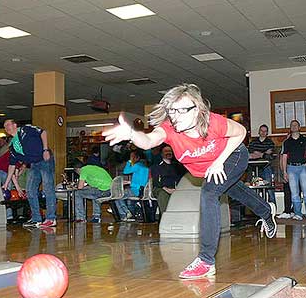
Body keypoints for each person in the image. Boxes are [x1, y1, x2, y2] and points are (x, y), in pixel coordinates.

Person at [103, 83, 276, 279]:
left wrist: (219, 162)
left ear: (198, 109)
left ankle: (206, 260)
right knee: (235, 190)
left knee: (210, 193)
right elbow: (149, 141)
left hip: (233, 155)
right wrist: (133, 134)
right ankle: (266, 211)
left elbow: (241, 133)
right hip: (209, 168)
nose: (175, 116)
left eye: (182, 110)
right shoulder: (169, 130)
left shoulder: (212, 123)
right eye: (172, 111)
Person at [3, 120, 57, 228]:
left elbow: (43, 132)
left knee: (48, 188)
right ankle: (36, 219)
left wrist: (45, 149)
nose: (6, 128)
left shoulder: (25, 129)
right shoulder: (12, 146)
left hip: (44, 159)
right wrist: (6, 183)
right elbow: (12, 166)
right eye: (5, 127)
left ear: (15, 125)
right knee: (30, 190)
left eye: (8, 125)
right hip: (34, 164)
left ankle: (51, 218)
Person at [281, 120, 306, 221]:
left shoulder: (305, 139)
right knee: (294, 192)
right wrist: (284, 172)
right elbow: (284, 157)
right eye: (292, 125)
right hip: (291, 168)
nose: (294, 127)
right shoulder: (286, 142)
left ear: (299, 127)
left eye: (296, 125)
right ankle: (297, 213)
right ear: (290, 128)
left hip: (303, 168)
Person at [151, 145, 185, 214]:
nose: (168, 153)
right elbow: (156, 182)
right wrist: (167, 189)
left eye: (170, 151)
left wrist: (177, 189)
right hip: (160, 188)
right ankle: (165, 215)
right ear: (161, 154)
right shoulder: (157, 166)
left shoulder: (177, 166)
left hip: (175, 189)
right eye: (166, 151)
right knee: (163, 194)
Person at [116, 149, 149, 221]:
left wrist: (129, 162)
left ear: (136, 157)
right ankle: (128, 213)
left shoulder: (137, 166)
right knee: (126, 195)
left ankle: (125, 213)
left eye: (131, 157)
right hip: (143, 190)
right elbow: (143, 180)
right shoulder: (145, 166)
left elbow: (126, 171)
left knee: (117, 195)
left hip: (136, 190)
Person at [248, 124, 276, 203]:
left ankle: (272, 208)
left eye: (265, 131)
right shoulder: (253, 142)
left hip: (266, 167)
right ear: (259, 132)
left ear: (267, 133)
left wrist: (259, 154)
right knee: (253, 188)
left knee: (269, 188)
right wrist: (264, 154)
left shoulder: (270, 143)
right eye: (261, 131)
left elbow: (271, 157)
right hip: (253, 168)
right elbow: (250, 155)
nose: (263, 132)